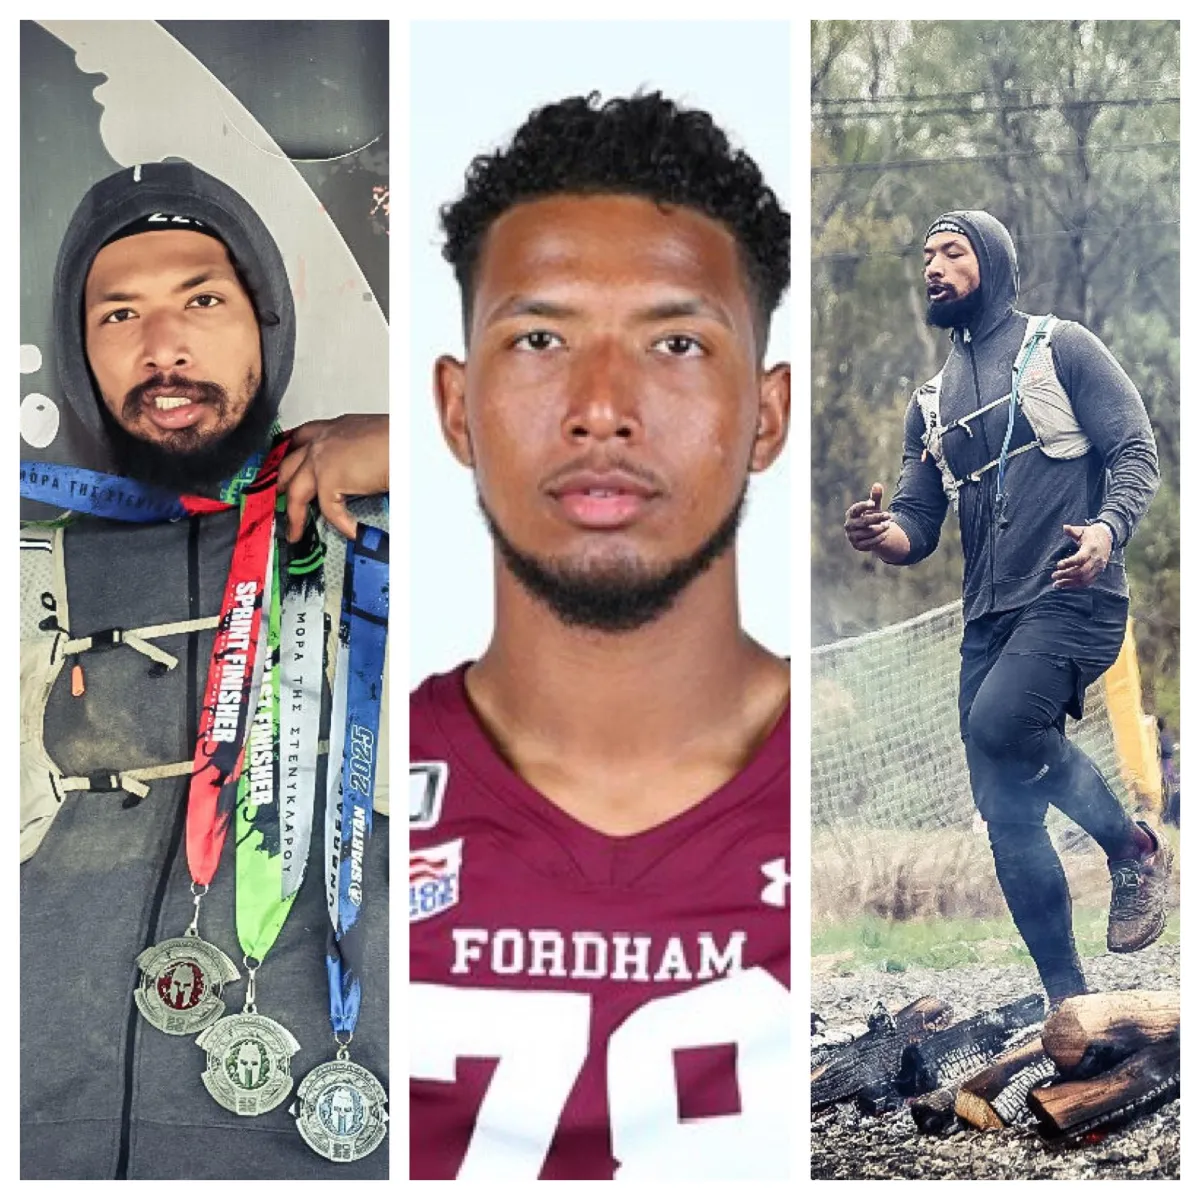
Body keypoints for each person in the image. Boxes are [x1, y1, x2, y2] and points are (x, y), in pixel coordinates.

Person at [409, 92, 791, 1180]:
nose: (602, 408)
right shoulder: (350, 784)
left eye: (675, 342)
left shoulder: (836, 805)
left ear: (766, 416)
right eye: (540, 339)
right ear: (456, 408)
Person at [20, 161, 390, 1179]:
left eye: (203, 301)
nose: (163, 345)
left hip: (313, 1150)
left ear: (265, 327)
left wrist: (439, 450)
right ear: (80, 352)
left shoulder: (397, 542)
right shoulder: (27, 569)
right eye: (118, 314)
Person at [843, 209, 1170, 1004]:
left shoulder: (1061, 348)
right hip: (988, 621)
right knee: (1004, 808)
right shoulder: (930, 404)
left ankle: (1131, 847)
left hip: (1074, 595)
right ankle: (1069, 1002)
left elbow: (1136, 449)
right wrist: (881, 535)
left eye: (952, 252)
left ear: (991, 262)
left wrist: (1106, 529)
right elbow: (917, 526)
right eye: (927, 255)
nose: (933, 266)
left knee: (998, 725)